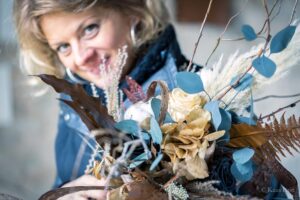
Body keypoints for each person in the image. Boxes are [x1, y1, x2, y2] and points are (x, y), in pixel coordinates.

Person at [13, 0, 198, 199]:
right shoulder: (74, 99)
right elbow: (63, 181)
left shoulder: (205, 96)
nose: (80, 58)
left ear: (134, 10)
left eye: (89, 29)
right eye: (63, 46)